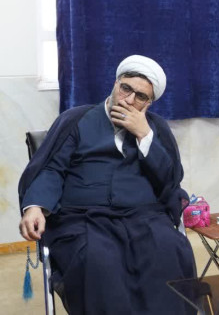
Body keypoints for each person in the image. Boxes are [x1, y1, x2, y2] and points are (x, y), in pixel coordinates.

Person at [18, 55, 195, 314]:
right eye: (126, 89)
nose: (129, 100)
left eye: (141, 97)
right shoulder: (75, 119)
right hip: (83, 218)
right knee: (99, 262)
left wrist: (144, 135)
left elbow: (169, 180)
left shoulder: (155, 128)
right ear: (115, 83)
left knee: (169, 251)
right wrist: (36, 206)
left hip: (143, 217)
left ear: (149, 103)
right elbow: (51, 169)